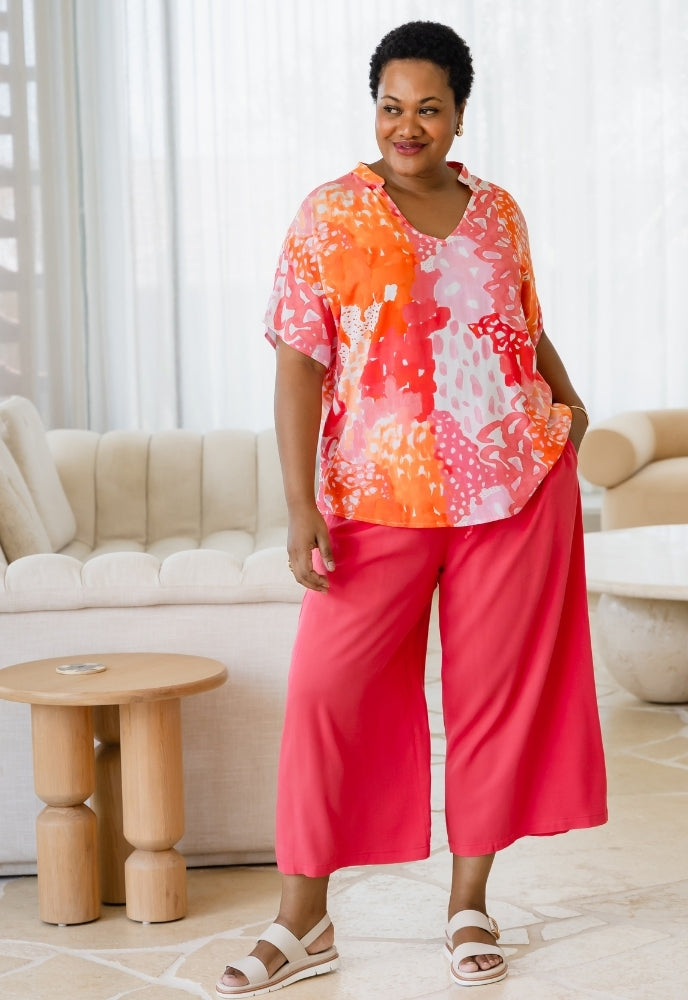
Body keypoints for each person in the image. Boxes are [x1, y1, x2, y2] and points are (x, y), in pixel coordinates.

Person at [217, 19, 607, 996]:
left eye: (428, 107)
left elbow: (522, 326)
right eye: (392, 106)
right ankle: (301, 920)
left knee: (495, 697)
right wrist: (299, 502)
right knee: (324, 695)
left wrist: (568, 401)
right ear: (374, 110)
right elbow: (299, 366)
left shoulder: (499, 212)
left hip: (511, 490)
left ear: (459, 114)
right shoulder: (330, 216)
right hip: (373, 498)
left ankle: (470, 900)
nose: (408, 125)